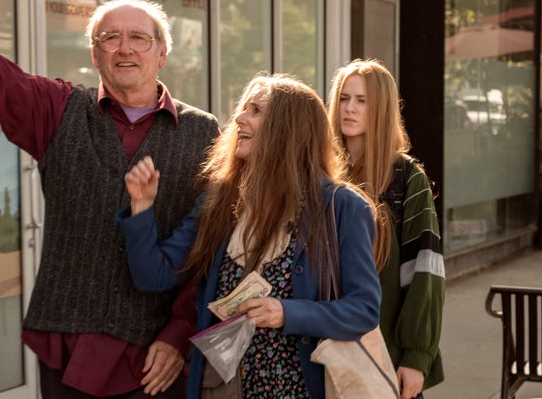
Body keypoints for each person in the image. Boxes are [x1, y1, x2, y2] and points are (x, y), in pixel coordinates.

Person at [0, 0, 219, 398]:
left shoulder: (204, 132)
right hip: (68, 346)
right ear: (95, 53)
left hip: (153, 359)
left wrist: (178, 337)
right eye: (111, 37)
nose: (125, 47)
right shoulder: (57, 109)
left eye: (139, 38)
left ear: (162, 53)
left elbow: (208, 250)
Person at [118, 74, 381, 399]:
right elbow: (153, 275)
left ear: (287, 130)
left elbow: (364, 309)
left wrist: (287, 313)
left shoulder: (343, 208)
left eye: (256, 110)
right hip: (224, 387)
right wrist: (141, 208)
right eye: (244, 108)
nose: (239, 118)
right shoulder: (221, 200)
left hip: (298, 389)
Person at [327, 59, 445, 399]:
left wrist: (416, 355)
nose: (349, 108)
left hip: (386, 351)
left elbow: (425, 269)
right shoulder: (323, 171)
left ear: (381, 108)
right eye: (344, 98)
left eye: (361, 101)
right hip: (327, 345)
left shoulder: (406, 178)